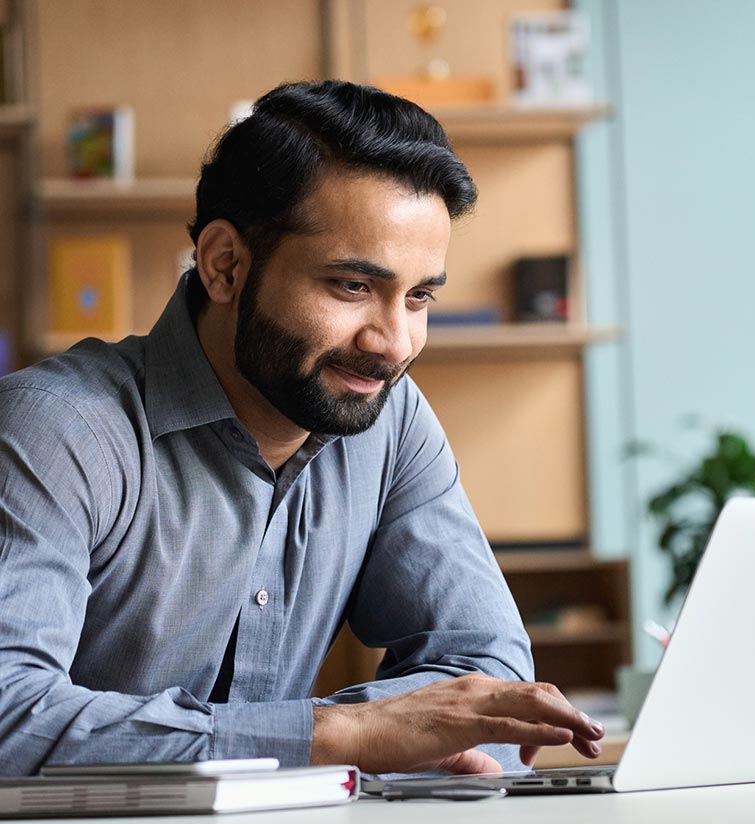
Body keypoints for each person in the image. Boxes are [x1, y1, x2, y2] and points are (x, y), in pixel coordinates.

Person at [0, 80, 603, 777]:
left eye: (419, 297)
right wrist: (337, 736)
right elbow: (10, 718)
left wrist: (391, 736)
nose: (394, 342)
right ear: (225, 265)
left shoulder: (390, 423)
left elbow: (486, 673)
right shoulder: (55, 430)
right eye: (351, 286)